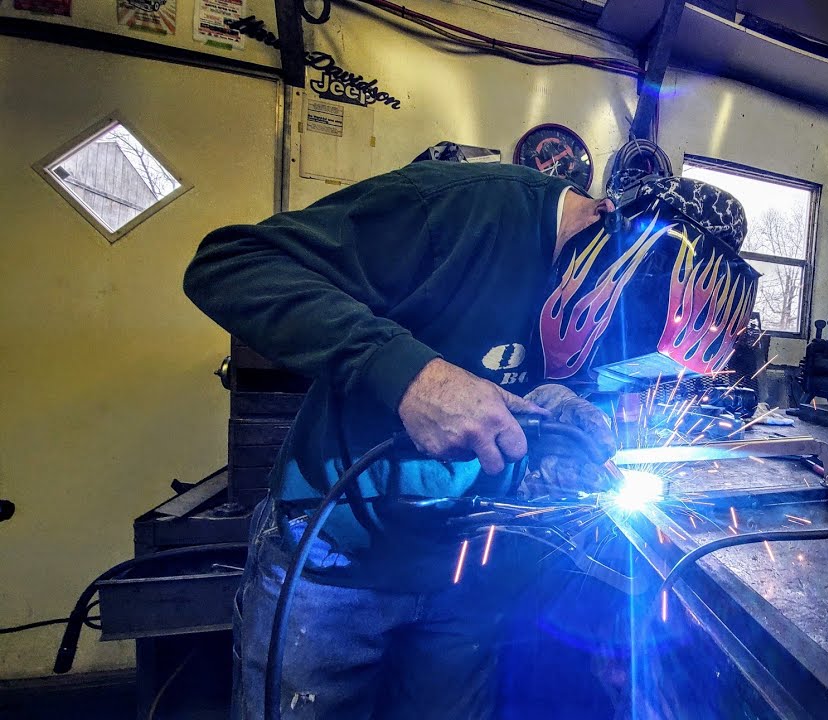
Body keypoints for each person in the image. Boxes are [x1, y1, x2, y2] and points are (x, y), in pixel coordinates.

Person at [184, 152, 755, 719]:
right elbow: (229, 263)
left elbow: (542, 378)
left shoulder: (611, 298)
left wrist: (560, 426)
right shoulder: (465, 209)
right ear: (605, 220)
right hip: (336, 563)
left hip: (467, 580)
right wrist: (410, 375)